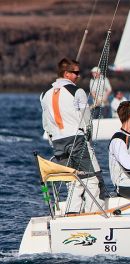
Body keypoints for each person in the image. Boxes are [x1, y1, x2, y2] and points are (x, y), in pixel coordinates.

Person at [40, 58, 104, 214]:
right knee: (90, 179)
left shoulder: (44, 94)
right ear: (66, 73)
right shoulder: (77, 92)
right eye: (76, 72)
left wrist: (52, 140)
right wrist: (88, 138)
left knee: (72, 180)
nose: (79, 76)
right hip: (77, 139)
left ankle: (71, 212)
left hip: (57, 141)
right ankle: (92, 214)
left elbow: (45, 122)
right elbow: (86, 119)